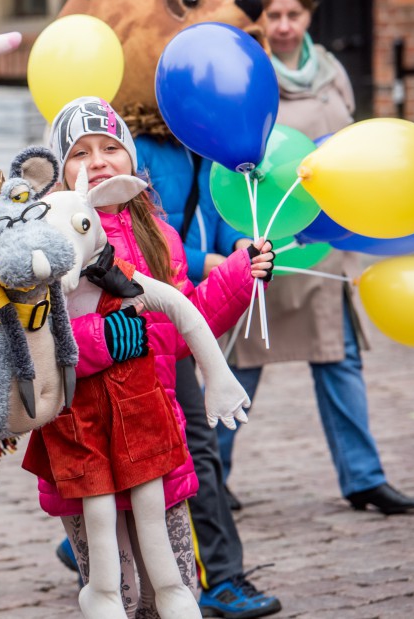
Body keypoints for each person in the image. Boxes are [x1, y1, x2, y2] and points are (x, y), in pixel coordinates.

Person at [35, 97, 274, 618]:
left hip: (150, 435)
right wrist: (105, 338)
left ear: (131, 157)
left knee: (172, 586)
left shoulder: (160, 236)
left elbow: (183, 327)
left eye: (110, 148)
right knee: (113, 587)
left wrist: (237, 276)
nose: (98, 161)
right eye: (79, 152)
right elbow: (38, 338)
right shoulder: (46, 242)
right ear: (59, 170)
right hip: (85, 444)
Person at [216, 0, 414, 517]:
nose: (283, 27)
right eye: (273, 16)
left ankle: (365, 477)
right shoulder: (249, 77)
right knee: (240, 364)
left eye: (293, 15)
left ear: (310, 15)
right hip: (271, 240)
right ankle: (213, 473)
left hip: (327, 244)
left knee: (340, 359)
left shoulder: (333, 72)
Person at [134, 105, 285, 615]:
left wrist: (241, 247)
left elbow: (220, 218)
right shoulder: (139, 146)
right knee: (142, 458)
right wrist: (206, 263)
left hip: (184, 318)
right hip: (143, 316)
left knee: (198, 449)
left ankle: (222, 576)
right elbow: (145, 235)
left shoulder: (216, 147)